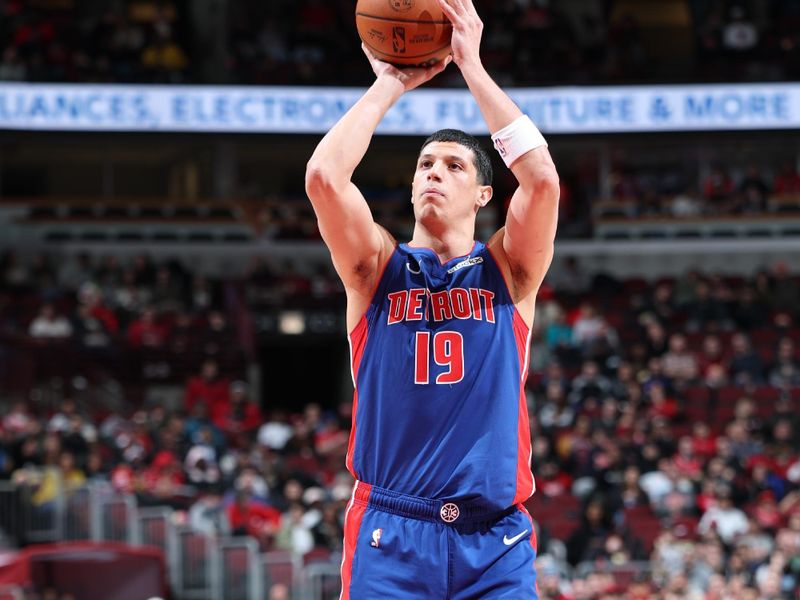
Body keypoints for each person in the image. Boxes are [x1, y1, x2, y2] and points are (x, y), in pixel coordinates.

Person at [305, 0, 559, 596]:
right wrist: (389, 82)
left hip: (494, 540)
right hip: (392, 532)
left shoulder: (509, 271)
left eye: (451, 165)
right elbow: (322, 177)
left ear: (483, 195)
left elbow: (543, 180)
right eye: (423, 164)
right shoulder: (375, 270)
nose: (432, 174)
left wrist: (471, 65)